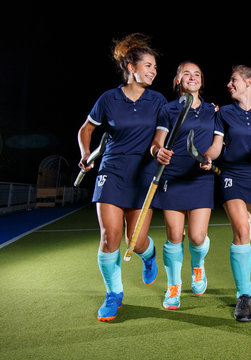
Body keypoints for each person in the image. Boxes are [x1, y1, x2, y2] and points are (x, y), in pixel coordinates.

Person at [77, 33, 167, 321]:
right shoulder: (108, 99)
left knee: (136, 240)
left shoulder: (158, 100)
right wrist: (85, 153)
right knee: (110, 236)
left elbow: (158, 138)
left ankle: (148, 254)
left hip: (144, 173)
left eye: (155, 67)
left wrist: (157, 151)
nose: (154, 71)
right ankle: (114, 295)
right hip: (112, 170)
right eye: (149, 66)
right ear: (131, 67)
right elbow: (86, 129)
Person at [201, 65, 251, 322]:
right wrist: (207, 157)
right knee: (241, 232)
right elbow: (216, 147)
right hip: (231, 175)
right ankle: (244, 297)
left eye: (234, 80)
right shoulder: (225, 114)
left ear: (249, 83)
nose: (229, 85)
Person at [150, 61, 216, 310]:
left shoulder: (212, 110)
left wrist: (209, 156)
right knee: (174, 236)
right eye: (186, 73)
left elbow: (217, 143)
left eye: (197, 74)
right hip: (173, 177)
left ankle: (197, 268)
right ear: (177, 80)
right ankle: (174, 285)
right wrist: (158, 152)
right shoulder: (168, 110)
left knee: (198, 237)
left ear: (202, 81)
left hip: (199, 178)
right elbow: (156, 142)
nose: (192, 77)